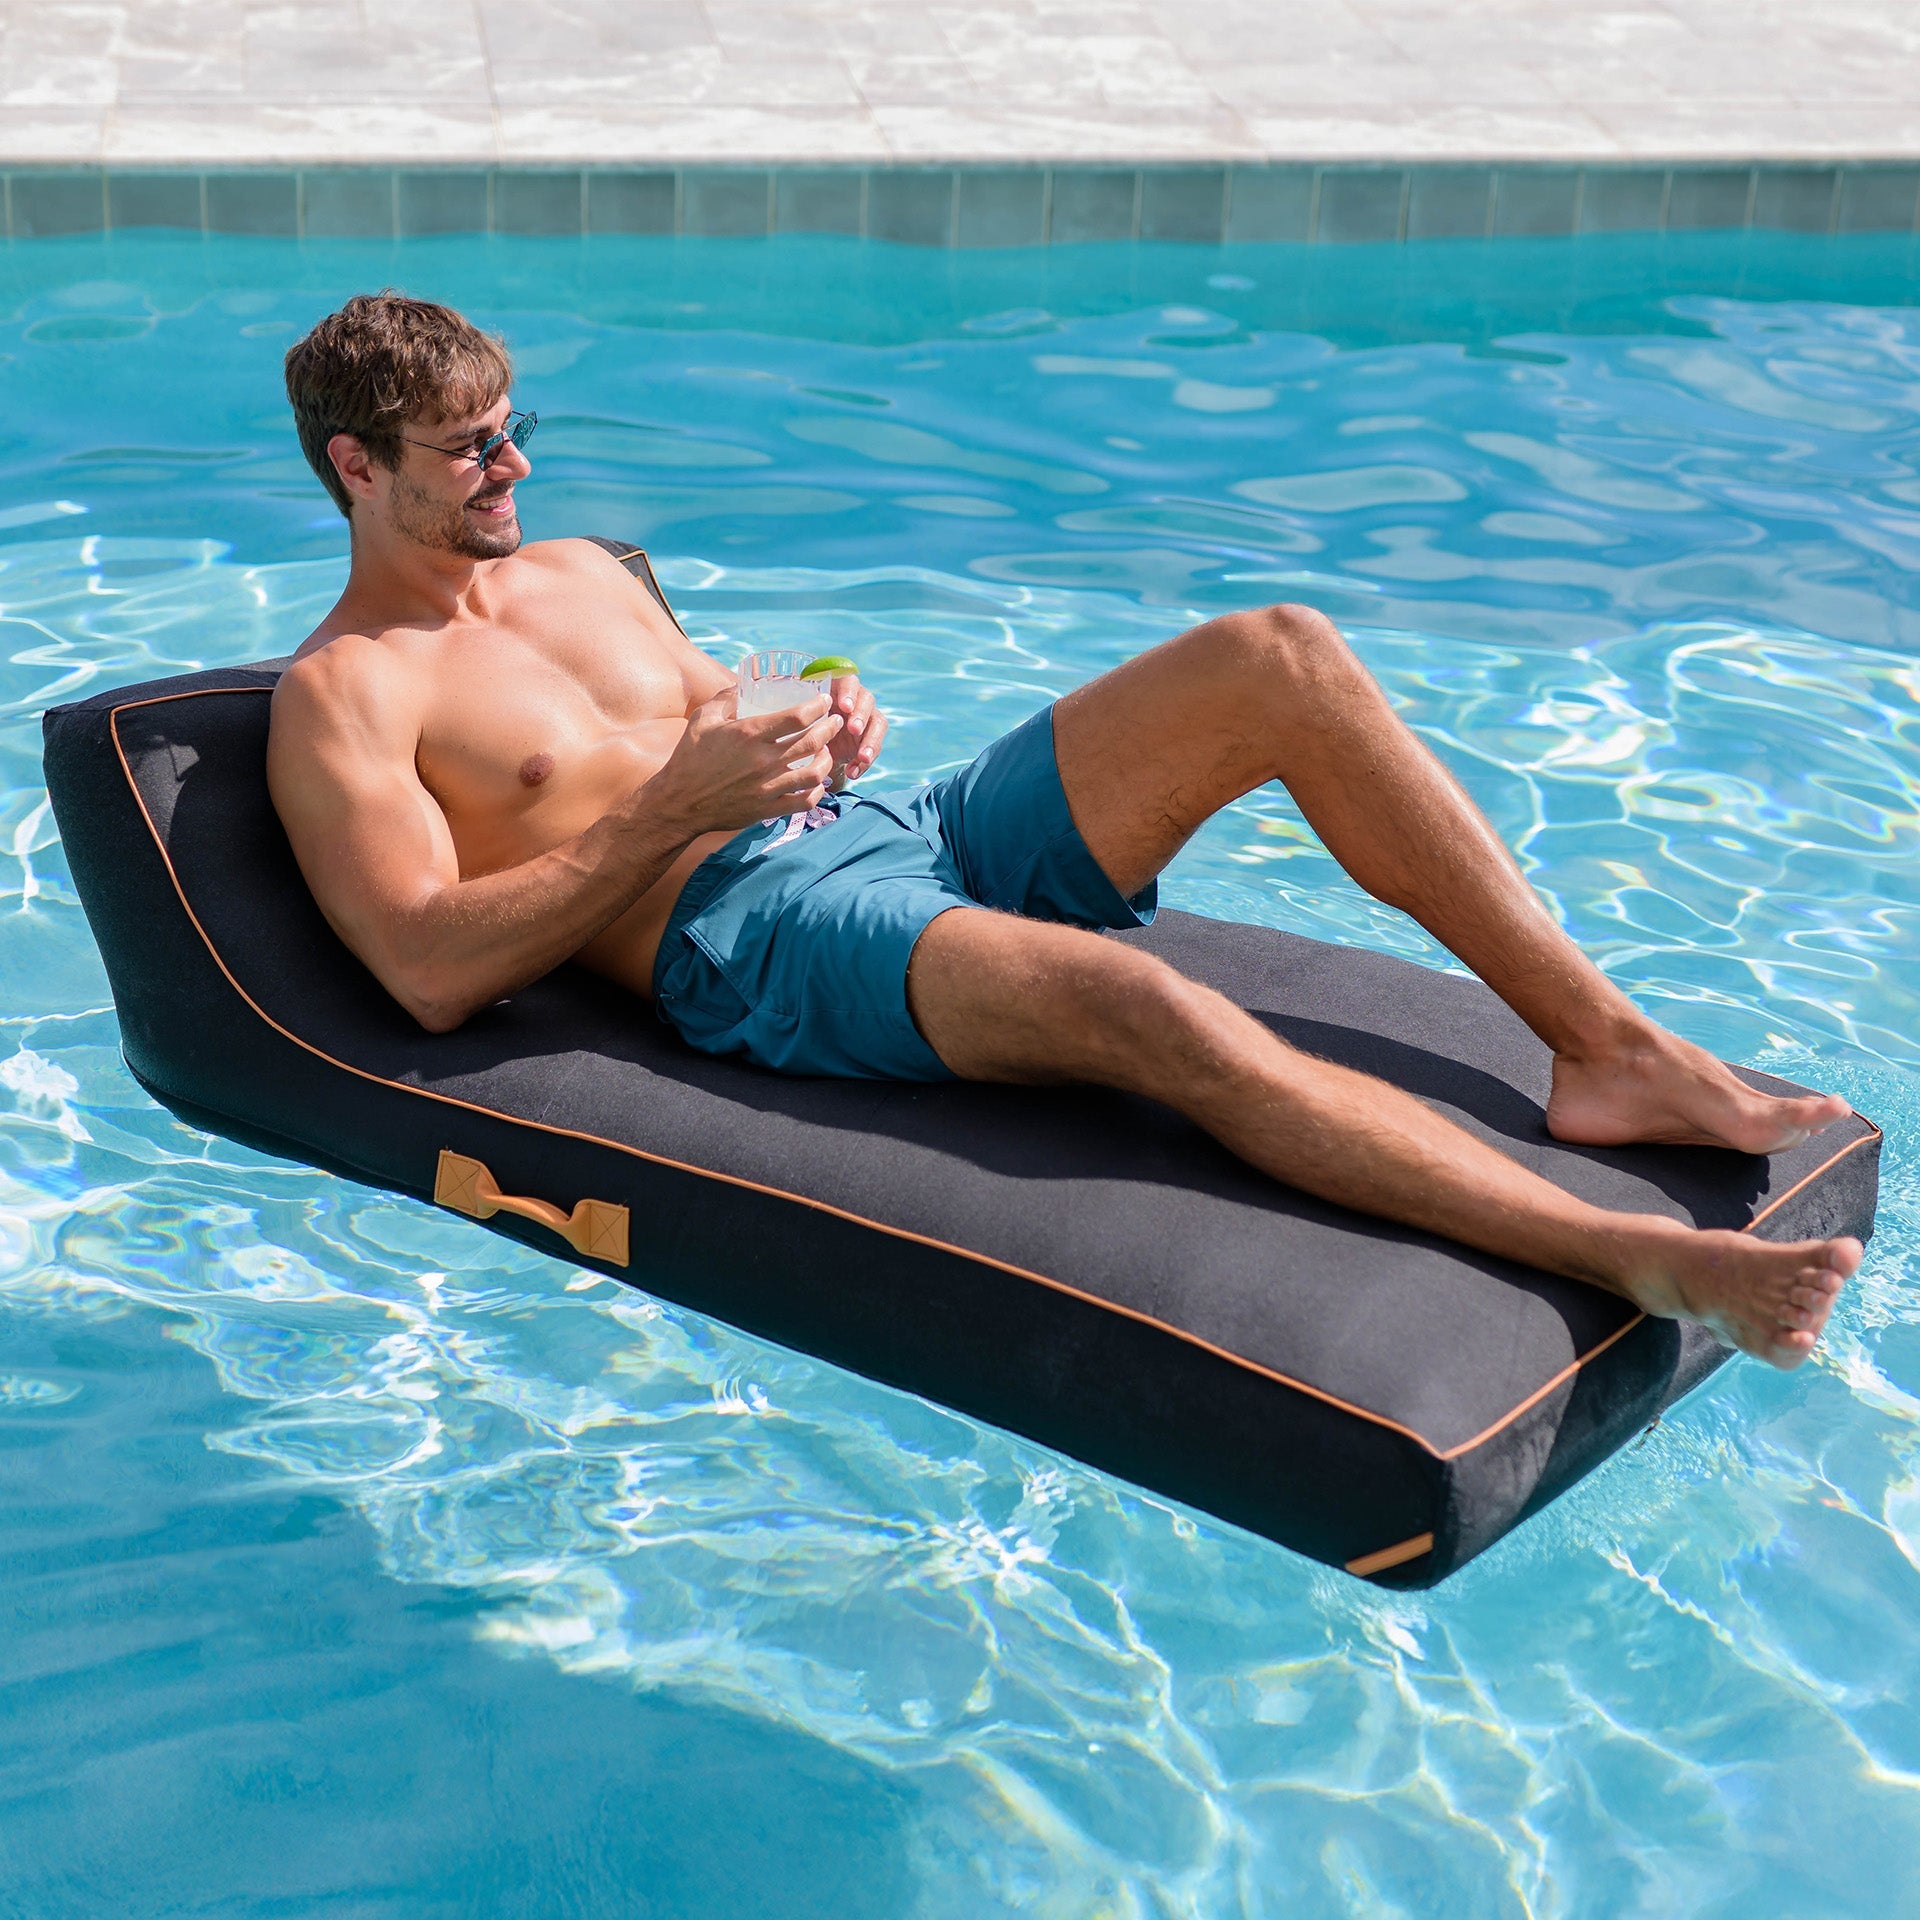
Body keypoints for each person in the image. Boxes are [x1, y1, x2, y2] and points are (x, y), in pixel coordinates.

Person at [268, 292, 1862, 1372]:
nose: (516, 466)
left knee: (1280, 655)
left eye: (513, 425)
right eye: (471, 450)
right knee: (1149, 1005)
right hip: (756, 941)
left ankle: (1608, 1050)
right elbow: (419, 969)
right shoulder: (346, 698)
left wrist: (827, 698)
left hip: (894, 820)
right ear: (357, 468)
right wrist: (668, 819)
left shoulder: (581, 573)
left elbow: (720, 696)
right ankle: (1626, 1255)